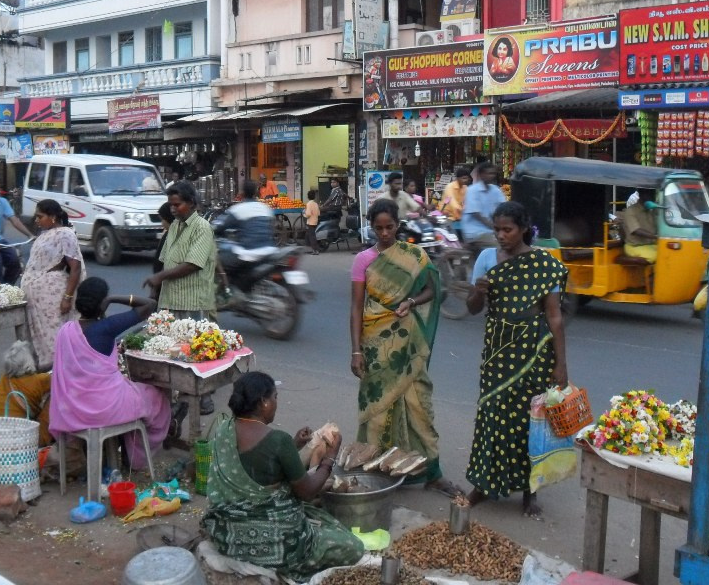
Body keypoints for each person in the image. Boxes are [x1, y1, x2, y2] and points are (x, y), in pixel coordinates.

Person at [201, 371, 364, 580]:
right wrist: (329, 458)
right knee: (352, 546)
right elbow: (307, 491)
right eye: (275, 397)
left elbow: (261, 464)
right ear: (264, 402)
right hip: (279, 543)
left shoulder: (224, 429)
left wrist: (295, 444)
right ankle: (288, 565)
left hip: (228, 534)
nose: (276, 402)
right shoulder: (278, 441)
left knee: (314, 516)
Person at [464, 201, 568, 516]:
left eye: (507, 229)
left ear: (523, 229)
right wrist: (479, 292)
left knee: (529, 421)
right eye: (496, 229)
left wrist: (561, 364)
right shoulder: (485, 259)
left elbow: (554, 317)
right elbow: (472, 308)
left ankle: (529, 492)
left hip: (534, 350)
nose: (500, 235)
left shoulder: (543, 264)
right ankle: (484, 484)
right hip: (497, 350)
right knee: (492, 414)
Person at [349, 198, 459, 496]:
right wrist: (356, 350)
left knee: (419, 405)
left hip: (408, 345)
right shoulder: (363, 260)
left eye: (389, 227)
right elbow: (356, 308)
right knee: (378, 410)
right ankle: (374, 471)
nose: (384, 233)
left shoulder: (415, 255)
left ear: (398, 225)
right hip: (375, 345)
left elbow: (431, 290)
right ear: (371, 227)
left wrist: (410, 301)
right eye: (378, 228)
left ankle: (431, 472)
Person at [49, 277, 168, 468]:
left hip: (71, 411)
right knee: (155, 395)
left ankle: (122, 453)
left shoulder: (66, 331)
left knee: (134, 391)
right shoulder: (106, 327)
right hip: (106, 409)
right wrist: (113, 298)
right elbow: (150, 305)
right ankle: (136, 460)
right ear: (101, 304)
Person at [142, 181, 218, 415]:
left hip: (192, 300)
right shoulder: (175, 226)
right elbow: (166, 259)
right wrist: (157, 288)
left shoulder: (202, 228)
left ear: (192, 203)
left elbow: (193, 264)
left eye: (178, 204)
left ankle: (203, 398)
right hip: (170, 299)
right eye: (171, 205)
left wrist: (160, 277)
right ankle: (178, 400)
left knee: (195, 353)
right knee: (173, 353)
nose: (173, 209)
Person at [20, 199, 86, 370]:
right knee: (40, 340)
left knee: (54, 339)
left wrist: (68, 297)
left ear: (53, 217)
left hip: (52, 296)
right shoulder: (44, 235)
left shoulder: (65, 234)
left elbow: (75, 267)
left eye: (40, 217)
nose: (36, 220)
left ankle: (61, 376)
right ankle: (48, 380)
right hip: (37, 298)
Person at [0, 341, 52, 446]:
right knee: (55, 398)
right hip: (20, 441)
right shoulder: (38, 381)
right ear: (29, 362)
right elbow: (60, 378)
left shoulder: (5, 378)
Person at [214, 180, 276, 252]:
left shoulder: (238, 209)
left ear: (243, 193)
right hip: (269, 250)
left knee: (225, 250)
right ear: (255, 192)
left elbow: (224, 225)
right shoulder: (265, 208)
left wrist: (217, 230)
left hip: (248, 253)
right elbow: (271, 228)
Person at [461, 162, 506, 255]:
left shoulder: (496, 190)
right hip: (475, 232)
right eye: (489, 173)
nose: (492, 176)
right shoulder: (472, 191)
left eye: (493, 173)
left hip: (490, 230)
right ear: (481, 175)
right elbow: (477, 215)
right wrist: (495, 227)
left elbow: (504, 208)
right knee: (500, 247)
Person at [620, 188, 658, 263]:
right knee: (657, 256)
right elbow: (636, 231)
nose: (653, 198)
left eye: (654, 195)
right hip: (634, 247)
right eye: (650, 195)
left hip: (651, 245)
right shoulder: (631, 211)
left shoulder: (651, 210)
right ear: (641, 195)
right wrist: (655, 236)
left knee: (671, 253)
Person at [440, 167, 471, 233]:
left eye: (467, 178)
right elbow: (453, 203)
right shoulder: (449, 187)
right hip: (448, 216)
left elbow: (468, 201)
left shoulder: (465, 188)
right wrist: (464, 211)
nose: (466, 180)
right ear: (458, 178)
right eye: (463, 178)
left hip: (459, 216)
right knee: (453, 235)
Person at [150, 201, 175, 274]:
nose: (162, 223)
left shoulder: (172, 236)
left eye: (162, 220)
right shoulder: (168, 234)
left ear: (168, 218)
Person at [303, 189, 320, 254]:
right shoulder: (316, 204)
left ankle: (315, 250)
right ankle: (309, 248)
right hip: (315, 221)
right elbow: (318, 213)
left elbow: (308, 214)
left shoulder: (309, 204)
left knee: (312, 236)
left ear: (308, 197)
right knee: (309, 235)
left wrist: (304, 214)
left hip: (310, 222)